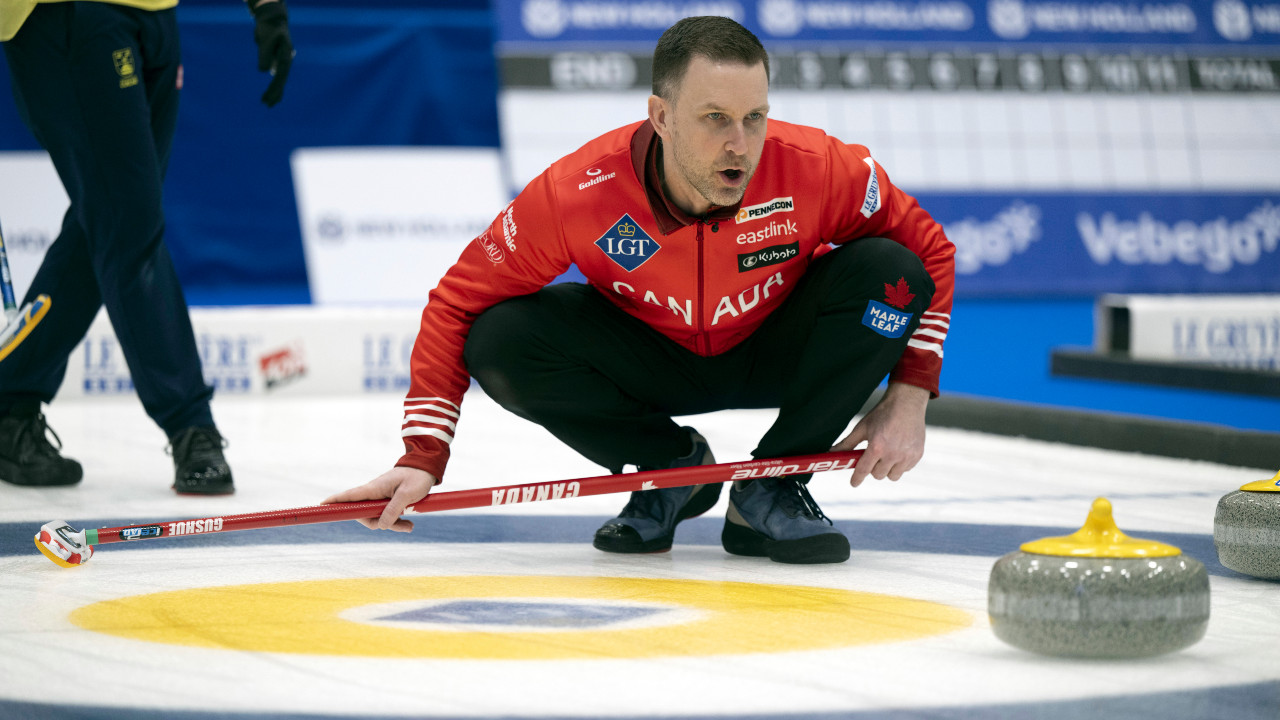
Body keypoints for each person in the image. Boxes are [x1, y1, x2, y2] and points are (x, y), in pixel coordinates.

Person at [325, 16, 954, 564]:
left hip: (777, 350)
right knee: (501, 337)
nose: (741, 145)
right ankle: (670, 469)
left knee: (887, 269)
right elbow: (456, 301)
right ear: (660, 116)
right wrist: (422, 455)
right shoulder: (576, 194)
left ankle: (776, 479)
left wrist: (911, 392)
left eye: (754, 117)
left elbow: (932, 250)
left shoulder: (819, 167)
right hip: (653, 359)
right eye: (715, 119)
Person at [0, 0, 294, 493]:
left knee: (112, 220)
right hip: (69, 15)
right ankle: (190, 424)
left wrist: (267, 7)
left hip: (155, 15)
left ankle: (10, 401)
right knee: (127, 224)